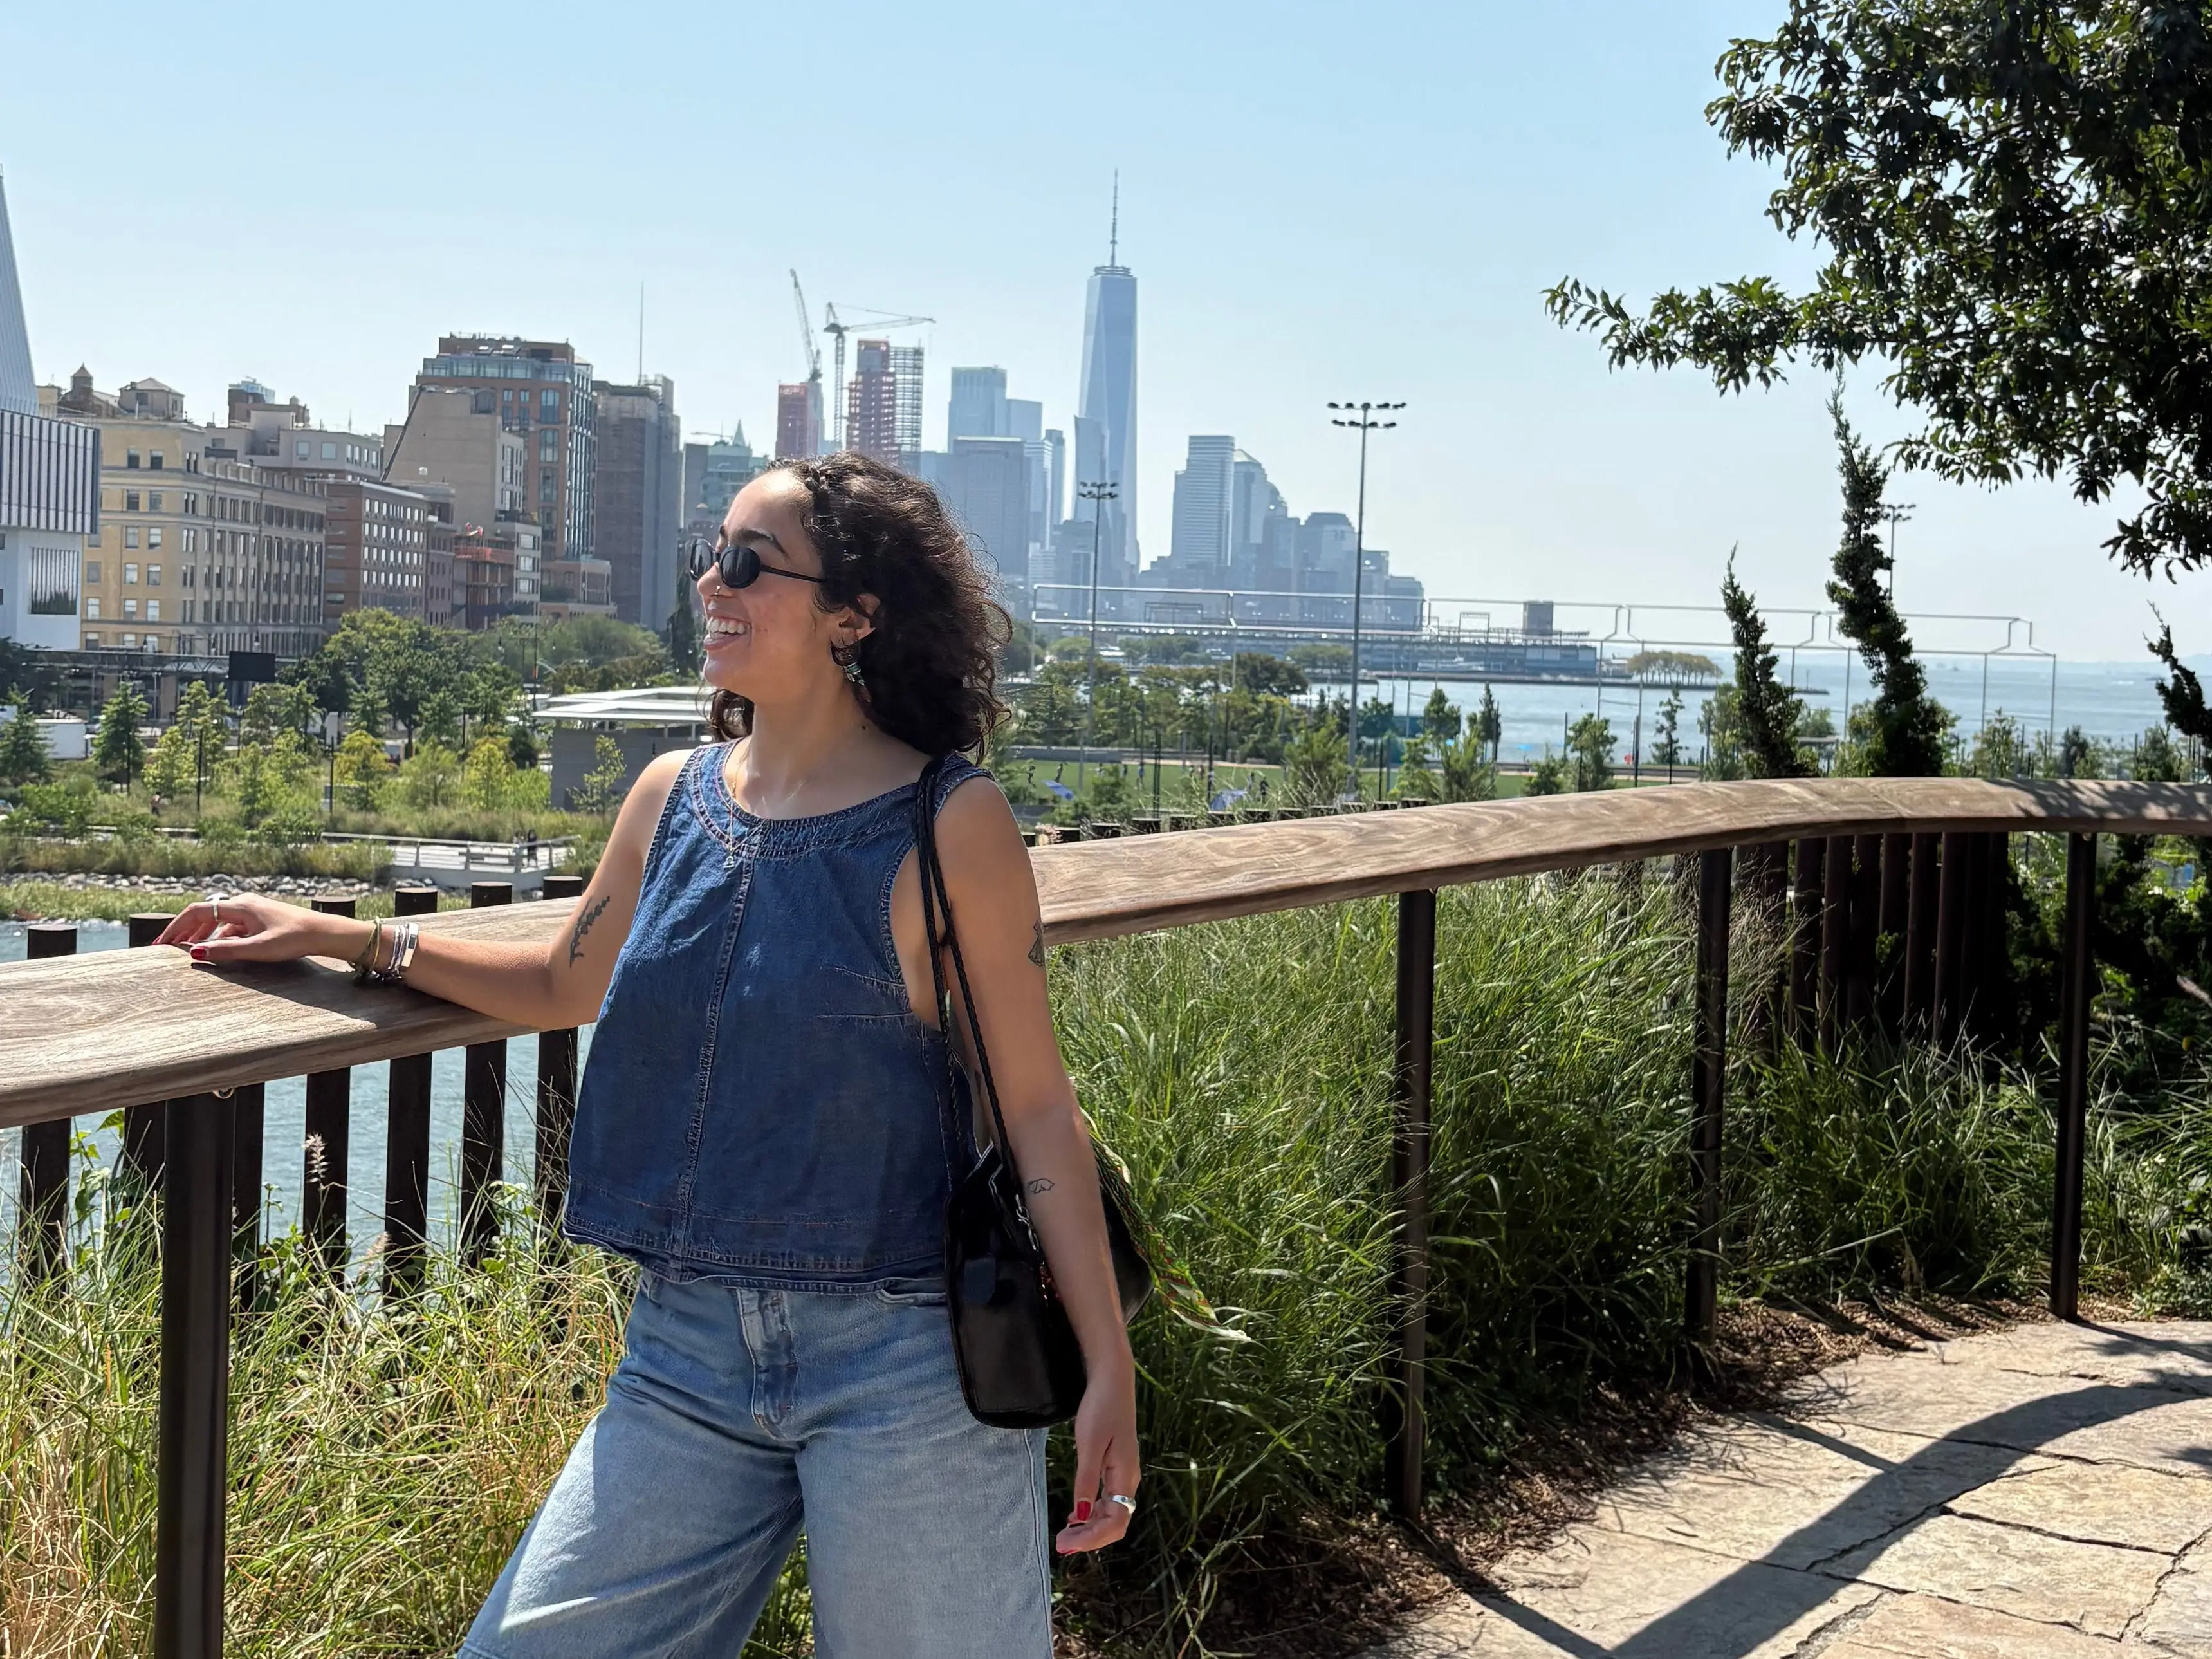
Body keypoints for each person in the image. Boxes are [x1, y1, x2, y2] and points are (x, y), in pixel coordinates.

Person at [157, 452, 1139, 1658]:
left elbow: (1038, 1107)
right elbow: (566, 980)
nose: (708, 586)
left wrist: (1107, 1363)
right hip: (683, 1352)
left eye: (746, 563)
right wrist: (348, 937)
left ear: (855, 615)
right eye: (705, 554)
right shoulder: (671, 793)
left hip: (907, 1363)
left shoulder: (950, 823)